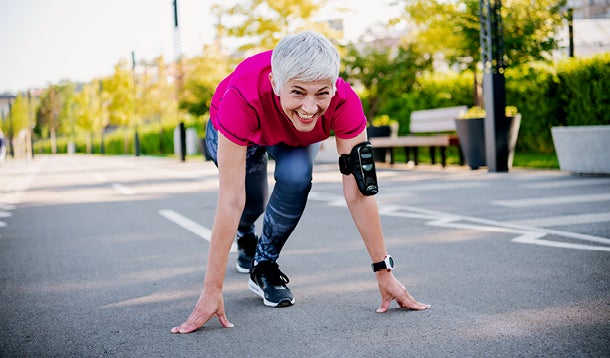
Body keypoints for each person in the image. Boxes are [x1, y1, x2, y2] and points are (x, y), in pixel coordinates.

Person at [171, 31, 429, 334]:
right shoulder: (242, 96)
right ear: (275, 84)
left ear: (334, 85)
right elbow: (230, 199)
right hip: (240, 130)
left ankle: (263, 264)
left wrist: (384, 272)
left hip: (293, 137)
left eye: (322, 93)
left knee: (296, 179)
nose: (309, 107)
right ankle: (245, 233)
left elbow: (359, 192)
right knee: (248, 204)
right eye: (298, 92)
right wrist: (212, 289)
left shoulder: (344, 102)